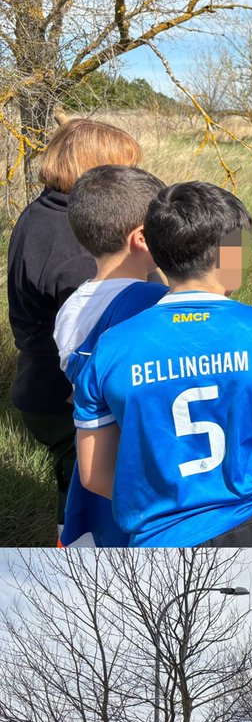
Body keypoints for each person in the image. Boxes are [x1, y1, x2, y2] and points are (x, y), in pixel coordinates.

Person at [73, 181, 252, 546]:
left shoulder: (111, 346)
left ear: (157, 254)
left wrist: (162, 505)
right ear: (231, 254)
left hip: (162, 537)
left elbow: (94, 474)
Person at [6, 118, 142, 532]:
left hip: (41, 384)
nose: (134, 179)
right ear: (100, 173)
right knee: (93, 507)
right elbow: (107, 347)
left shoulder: (42, 210)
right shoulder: (78, 250)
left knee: (78, 484)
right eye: (127, 170)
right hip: (66, 399)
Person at [54, 164, 168, 547]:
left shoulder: (70, 306)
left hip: (97, 455)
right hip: (147, 461)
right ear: (141, 239)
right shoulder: (153, 302)